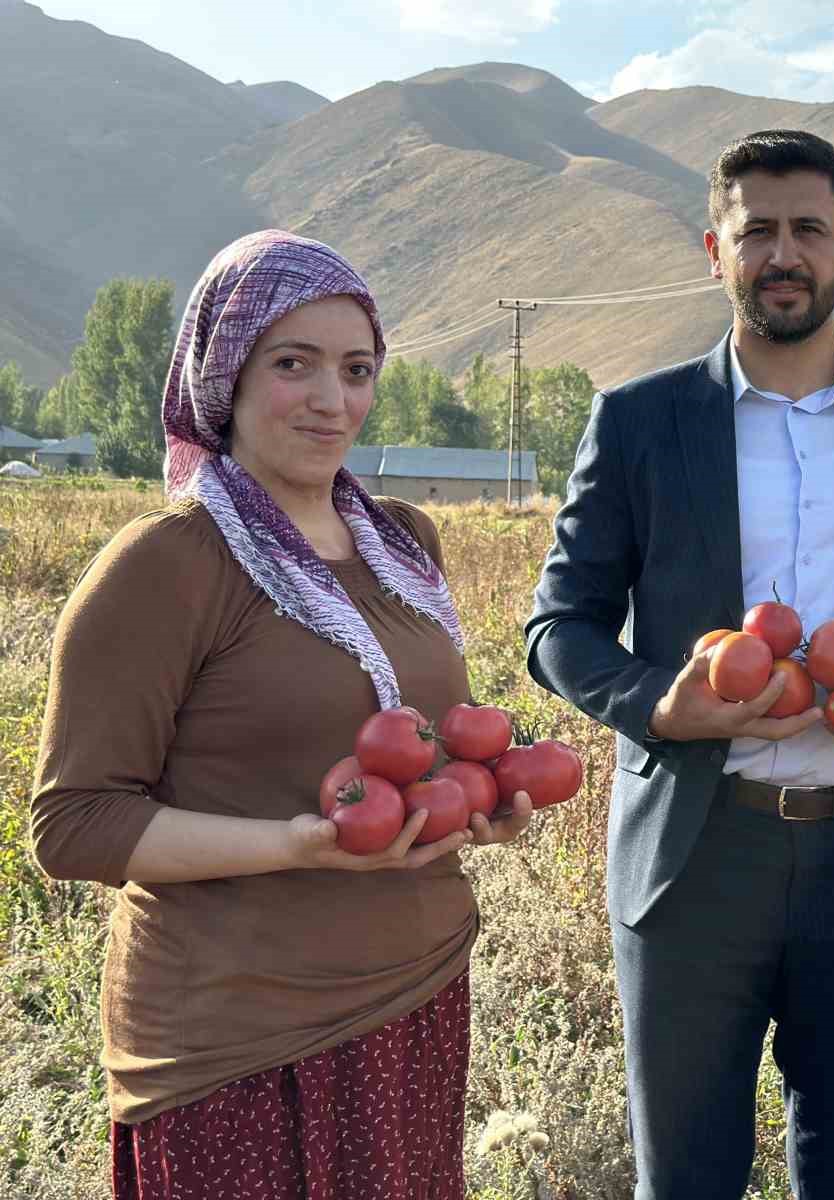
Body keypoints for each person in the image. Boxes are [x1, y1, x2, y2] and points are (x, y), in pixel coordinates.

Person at [524, 129, 834, 1199]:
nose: (782, 253)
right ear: (716, 249)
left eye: (808, 229)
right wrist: (662, 707)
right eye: (758, 232)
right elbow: (556, 626)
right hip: (695, 862)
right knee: (687, 1178)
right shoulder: (641, 420)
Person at [30, 230, 537, 1200]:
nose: (330, 398)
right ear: (225, 373)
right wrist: (299, 842)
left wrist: (486, 798)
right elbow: (75, 824)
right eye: (292, 364)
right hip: (239, 1035)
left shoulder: (402, 540)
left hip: (415, 991)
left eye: (356, 370)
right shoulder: (166, 564)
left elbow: (430, 745)